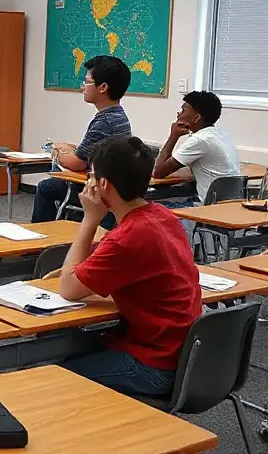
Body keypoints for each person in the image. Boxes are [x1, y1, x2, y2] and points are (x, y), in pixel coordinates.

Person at [59, 137, 201, 397]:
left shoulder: (126, 239)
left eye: (91, 175)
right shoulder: (163, 216)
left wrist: (90, 220)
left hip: (155, 364)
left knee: (58, 376)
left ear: (102, 184)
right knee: (83, 348)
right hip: (185, 355)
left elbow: (68, 288)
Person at [32, 55, 132, 224]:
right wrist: (69, 149)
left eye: (86, 81)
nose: (82, 86)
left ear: (103, 87)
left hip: (100, 191)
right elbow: (88, 153)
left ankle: (39, 244)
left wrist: (53, 150)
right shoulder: (117, 115)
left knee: (46, 187)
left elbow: (78, 162)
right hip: (112, 185)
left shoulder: (104, 121)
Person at [153, 91, 239, 206]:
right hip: (228, 202)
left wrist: (173, 137)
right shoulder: (222, 134)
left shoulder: (199, 140)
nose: (179, 114)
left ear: (196, 117)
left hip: (207, 206)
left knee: (145, 204)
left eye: (184, 110)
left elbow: (158, 173)